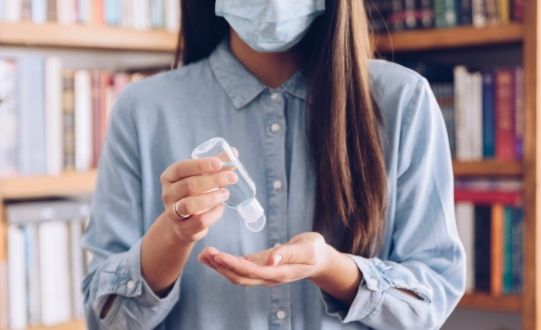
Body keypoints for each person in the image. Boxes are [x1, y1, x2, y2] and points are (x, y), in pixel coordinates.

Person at [81, 0, 466, 329]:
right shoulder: (143, 110)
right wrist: (173, 235)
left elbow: (431, 296)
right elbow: (105, 317)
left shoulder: (402, 101)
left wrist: (332, 268)